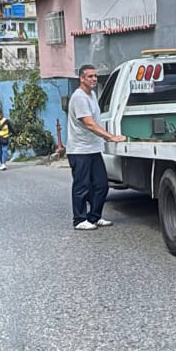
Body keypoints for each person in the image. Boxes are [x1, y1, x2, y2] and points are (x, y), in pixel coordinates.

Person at [67, 64, 126, 230]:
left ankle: (94, 217)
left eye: (95, 76)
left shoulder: (92, 94)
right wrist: (111, 137)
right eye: (90, 76)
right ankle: (79, 220)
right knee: (82, 186)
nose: (94, 79)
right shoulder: (79, 97)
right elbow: (90, 124)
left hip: (93, 149)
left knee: (101, 185)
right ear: (81, 78)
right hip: (79, 151)